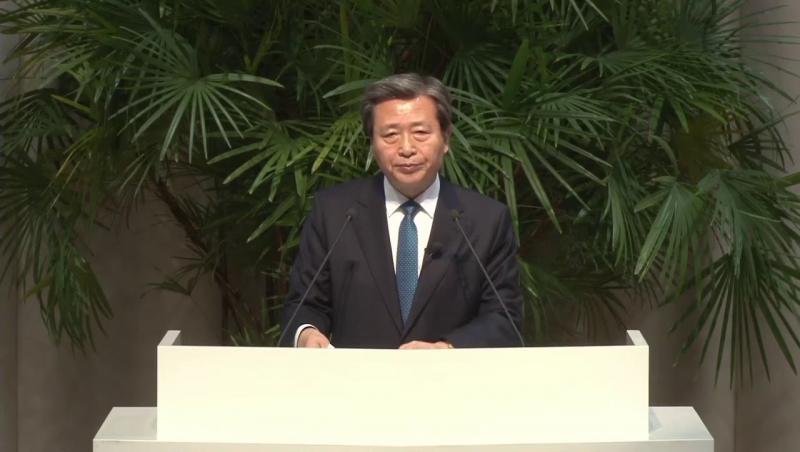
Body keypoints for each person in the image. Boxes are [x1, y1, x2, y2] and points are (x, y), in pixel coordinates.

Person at [281, 73, 523, 349]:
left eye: (420, 133)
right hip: (355, 375)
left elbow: (504, 319)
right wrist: (307, 334)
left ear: (446, 139)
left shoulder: (487, 220)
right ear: (372, 142)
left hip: (448, 374)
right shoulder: (335, 213)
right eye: (390, 135)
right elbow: (303, 305)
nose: (406, 148)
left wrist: (445, 349)